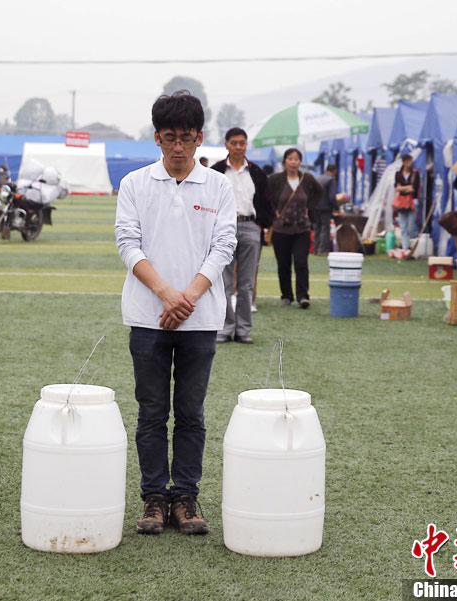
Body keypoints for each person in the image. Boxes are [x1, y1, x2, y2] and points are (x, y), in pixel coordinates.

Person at [115, 91, 236, 535]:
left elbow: (224, 245)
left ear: (200, 138)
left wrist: (189, 295)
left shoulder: (219, 186)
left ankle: (185, 496)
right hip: (148, 315)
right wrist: (167, 294)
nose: (179, 147)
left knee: (190, 412)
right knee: (151, 412)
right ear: (157, 139)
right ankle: (153, 498)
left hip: (200, 319)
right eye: (170, 138)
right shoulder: (135, 184)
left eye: (187, 138)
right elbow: (128, 244)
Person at [210, 127, 272, 344]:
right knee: (223, 282)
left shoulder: (257, 173)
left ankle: (243, 330)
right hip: (223, 229)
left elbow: (266, 202)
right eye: (234, 143)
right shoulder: (216, 171)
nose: (238, 147)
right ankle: (225, 328)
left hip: (250, 227)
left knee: (246, 283)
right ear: (226, 145)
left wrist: (264, 226)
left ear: (246, 145)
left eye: (242, 143)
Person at [267, 148, 323, 309]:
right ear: (284, 161)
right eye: (290, 158)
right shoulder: (275, 179)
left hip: (302, 229)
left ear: (300, 162)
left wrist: (310, 209)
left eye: (297, 159)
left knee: (301, 263)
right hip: (280, 229)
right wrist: (273, 213)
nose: (293, 162)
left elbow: (319, 193)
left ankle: (303, 296)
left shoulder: (307, 178)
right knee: (283, 264)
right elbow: (265, 198)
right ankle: (286, 295)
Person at [394, 153, 420, 251]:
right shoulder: (398, 174)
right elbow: (397, 187)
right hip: (401, 203)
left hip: (412, 202)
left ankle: (414, 244)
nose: (410, 164)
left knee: (411, 226)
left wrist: (402, 188)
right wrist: (407, 187)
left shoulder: (415, 174)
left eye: (411, 162)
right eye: (408, 161)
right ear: (404, 162)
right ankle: (406, 248)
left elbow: (414, 189)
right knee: (403, 226)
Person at [314, 164, 339, 255]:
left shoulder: (318, 178)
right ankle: (323, 250)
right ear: (334, 171)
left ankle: (316, 249)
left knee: (317, 228)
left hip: (315, 207)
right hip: (325, 208)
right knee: (325, 229)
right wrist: (337, 208)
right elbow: (332, 197)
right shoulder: (331, 180)